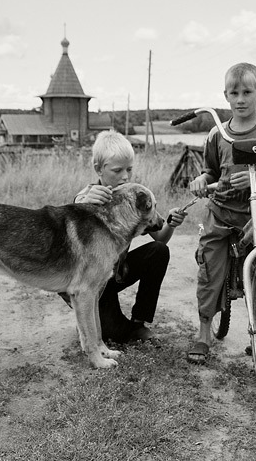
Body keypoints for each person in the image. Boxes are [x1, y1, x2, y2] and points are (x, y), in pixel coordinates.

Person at [187, 62, 256, 364]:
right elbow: (210, 171)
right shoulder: (218, 134)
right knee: (210, 270)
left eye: (247, 92)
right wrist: (200, 181)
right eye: (234, 93)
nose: (241, 99)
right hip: (221, 212)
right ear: (225, 96)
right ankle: (204, 331)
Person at [73, 130, 188, 344]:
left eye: (129, 169)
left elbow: (160, 238)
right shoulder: (87, 196)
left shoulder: (134, 198)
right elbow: (75, 211)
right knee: (115, 335)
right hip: (93, 282)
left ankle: (139, 322)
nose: (125, 176)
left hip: (117, 274)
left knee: (158, 252)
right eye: (117, 170)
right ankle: (90, 313)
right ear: (98, 169)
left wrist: (171, 223)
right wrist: (85, 203)